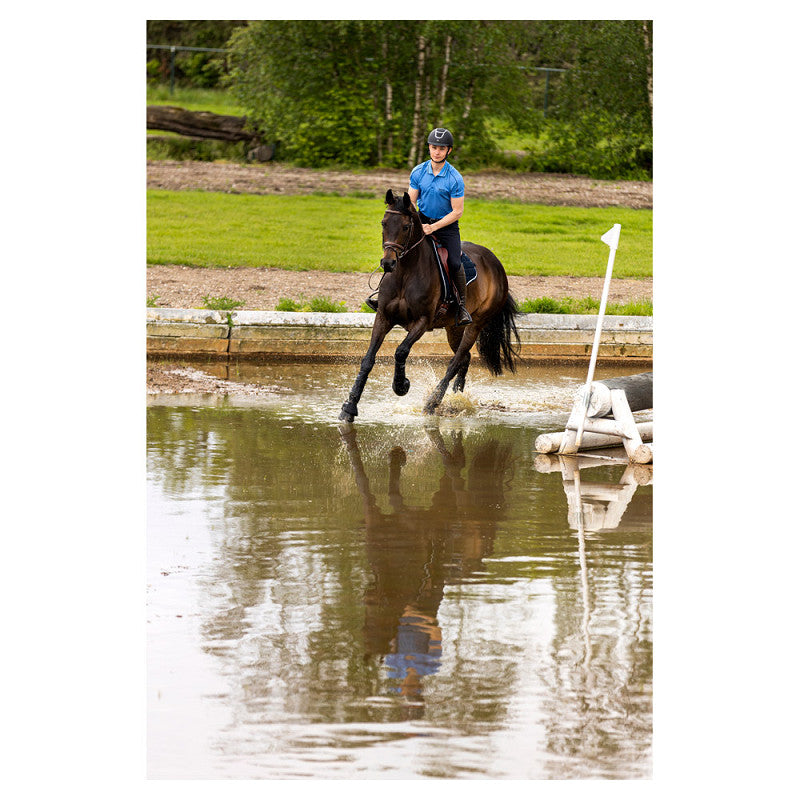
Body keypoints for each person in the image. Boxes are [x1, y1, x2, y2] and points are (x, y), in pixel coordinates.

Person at [368, 127, 472, 325]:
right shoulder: (418, 171)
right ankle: (381, 296)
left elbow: (457, 212)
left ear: (449, 151)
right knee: (397, 250)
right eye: (434, 147)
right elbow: (411, 203)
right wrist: (417, 224)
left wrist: (433, 228)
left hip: (446, 226)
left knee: (455, 263)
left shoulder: (455, 178)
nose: (437, 152)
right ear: (429, 149)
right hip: (421, 219)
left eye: (442, 149)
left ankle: (461, 307)